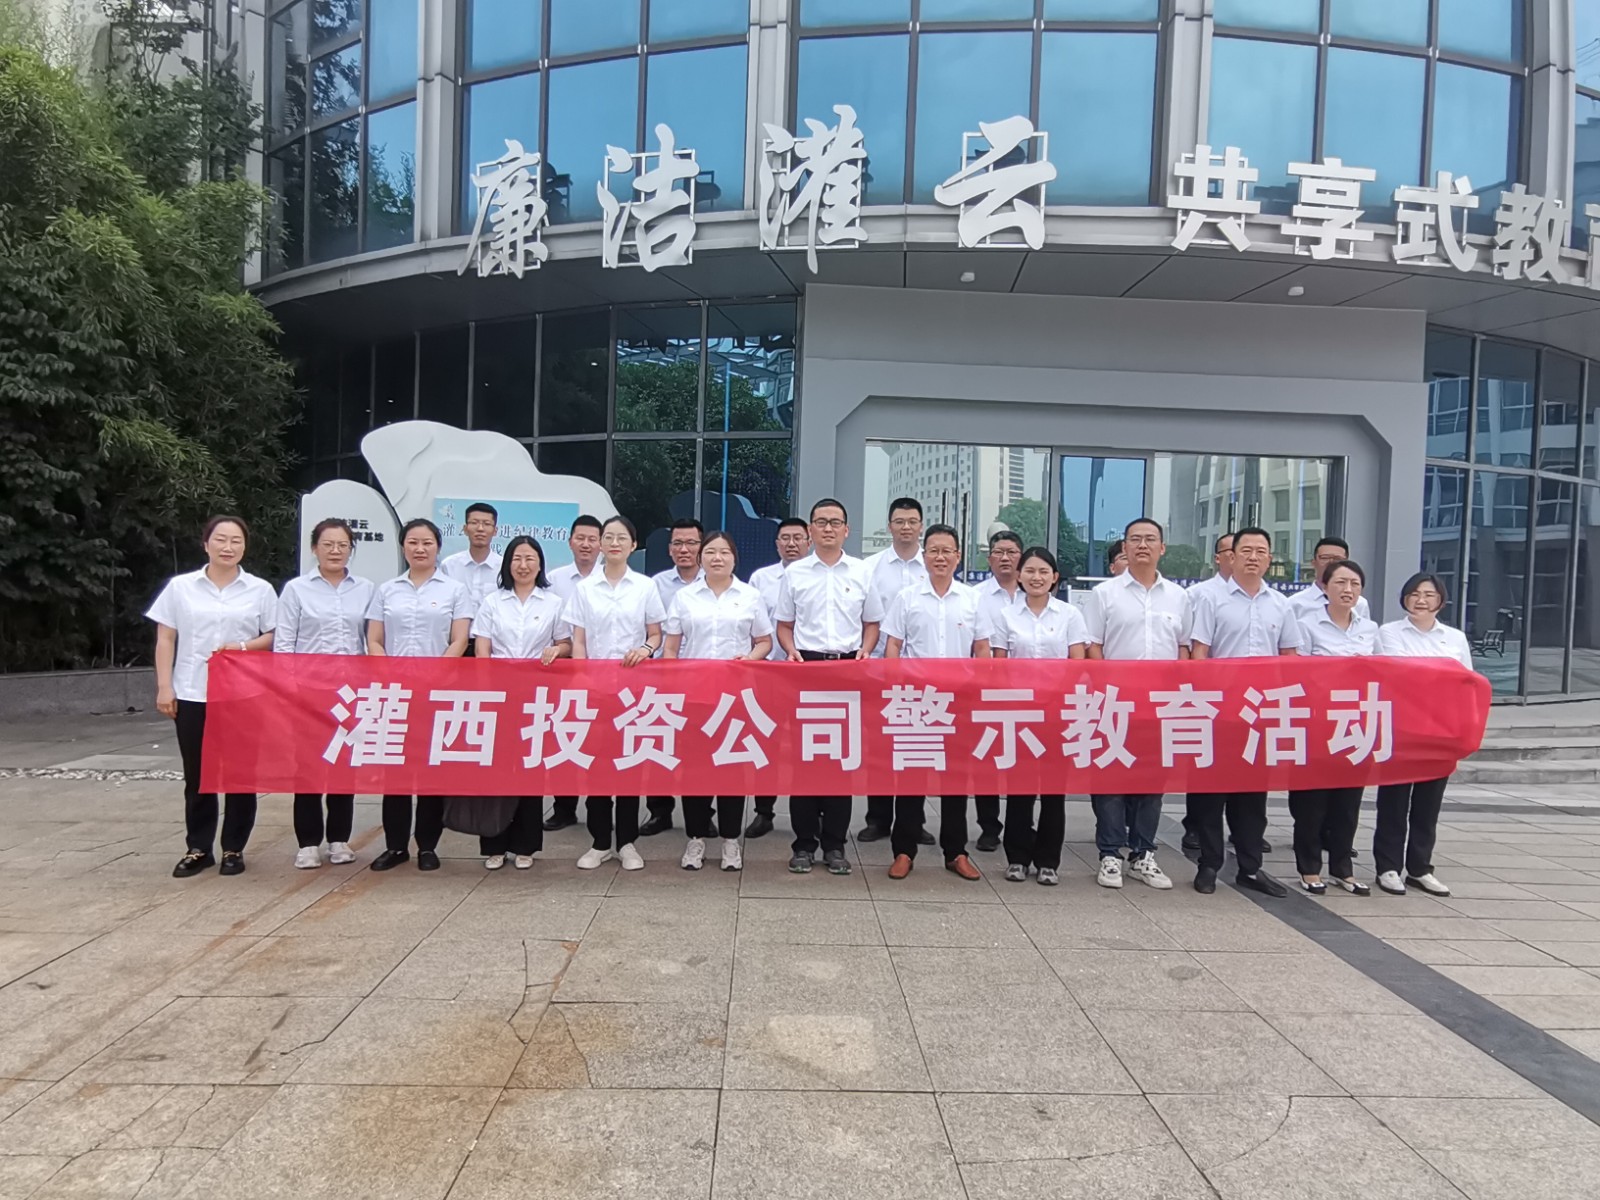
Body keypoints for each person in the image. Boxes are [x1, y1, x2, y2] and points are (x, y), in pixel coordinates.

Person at [148, 516, 278, 878]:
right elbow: (166, 638)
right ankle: (198, 848)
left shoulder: (260, 590)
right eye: (220, 539)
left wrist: (242, 647)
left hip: (243, 695)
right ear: (206, 544)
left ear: (244, 547)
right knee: (198, 775)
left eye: (236, 541)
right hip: (193, 691)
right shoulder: (181, 588)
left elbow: (274, 635)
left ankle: (234, 848)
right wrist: (164, 686)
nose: (228, 547)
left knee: (241, 774)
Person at [1189, 526, 1299, 898]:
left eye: (1261, 551)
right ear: (1231, 557)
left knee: (1253, 797)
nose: (1253, 557)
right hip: (1220, 712)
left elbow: (1290, 657)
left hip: (1261, 713)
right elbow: (1200, 653)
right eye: (1246, 550)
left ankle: (1250, 868)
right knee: (1210, 794)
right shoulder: (1211, 599)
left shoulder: (1281, 604)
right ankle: (1208, 864)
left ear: (1269, 559)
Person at [775, 498, 883, 876]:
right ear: (811, 530)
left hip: (847, 671)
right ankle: (804, 844)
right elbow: (784, 625)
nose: (828, 529)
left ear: (846, 530)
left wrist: (866, 651)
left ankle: (835, 845)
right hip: (806, 669)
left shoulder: (862, 572)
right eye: (821, 522)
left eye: (835, 522)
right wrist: (790, 651)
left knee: (840, 761)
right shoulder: (795, 573)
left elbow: (872, 623)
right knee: (805, 761)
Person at [1084, 518, 1187, 891]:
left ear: (1162, 548)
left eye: (1150, 539)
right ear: (1124, 548)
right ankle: (1110, 853)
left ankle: (1143, 853)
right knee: (1110, 779)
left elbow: (1184, 648)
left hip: (1161, 705)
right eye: (1135, 540)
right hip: (1115, 702)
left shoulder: (1179, 596)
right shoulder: (1104, 594)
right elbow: (1093, 645)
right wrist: (1108, 687)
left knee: (1152, 782)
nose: (1143, 545)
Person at [882, 525, 990, 881]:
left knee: (955, 781)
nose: (940, 557)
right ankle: (903, 850)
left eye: (947, 551)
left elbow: (982, 649)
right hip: (917, 700)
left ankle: (956, 852)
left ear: (958, 556)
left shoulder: (972, 599)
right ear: (924, 556)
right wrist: (896, 687)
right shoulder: (907, 597)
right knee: (911, 780)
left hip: (958, 701)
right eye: (933, 551)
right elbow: (894, 646)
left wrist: (978, 690)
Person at [367, 518, 473, 872]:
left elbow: (459, 640)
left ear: (438, 547)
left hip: (436, 692)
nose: (420, 548)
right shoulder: (387, 590)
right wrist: (389, 673)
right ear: (403, 547)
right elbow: (374, 640)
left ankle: (428, 845)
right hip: (395, 693)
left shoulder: (454, 590)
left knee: (431, 772)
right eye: (413, 542)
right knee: (394, 772)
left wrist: (433, 675)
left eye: (427, 542)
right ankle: (396, 846)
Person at [664, 530, 772, 872]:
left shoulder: (750, 596)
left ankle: (730, 841)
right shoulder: (684, 597)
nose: (717, 558)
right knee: (695, 770)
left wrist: (750, 659)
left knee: (732, 769)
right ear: (701, 558)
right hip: (695, 697)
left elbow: (765, 641)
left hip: (735, 698)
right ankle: (695, 838)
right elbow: (671, 647)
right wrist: (674, 682)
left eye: (724, 552)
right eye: (710, 552)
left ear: (734, 558)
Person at [564, 515, 666, 870]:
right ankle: (599, 842)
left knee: (628, 765)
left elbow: (656, 634)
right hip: (595, 689)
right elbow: (578, 640)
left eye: (622, 537)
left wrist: (645, 649)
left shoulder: (645, 587)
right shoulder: (585, 588)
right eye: (608, 537)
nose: (614, 543)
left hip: (632, 691)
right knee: (595, 765)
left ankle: (626, 842)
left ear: (633, 545)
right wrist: (583, 678)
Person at [277, 518, 374, 870]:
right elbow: (284, 643)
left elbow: (370, 639)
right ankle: (307, 843)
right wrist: (289, 689)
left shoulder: (365, 589)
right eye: (328, 544)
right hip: (309, 692)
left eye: (343, 545)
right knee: (307, 768)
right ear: (314, 548)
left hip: (350, 693)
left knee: (344, 768)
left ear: (351, 549)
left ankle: (339, 839)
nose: (335, 551)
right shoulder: (296, 590)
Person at [1372, 572, 1475, 898]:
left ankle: (1420, 868)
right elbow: (1397, 674)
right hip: (1400, 728)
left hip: (1441, 730)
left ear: (1440, 601)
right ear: (1404, 598)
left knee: (1428, 805)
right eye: (1414, 594)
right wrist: (1439, 675)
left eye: (1429, 595)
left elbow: (1466, 681)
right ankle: (1388, 867)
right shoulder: (1389, 632)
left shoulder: (1455, 638)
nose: (1421, 600)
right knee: (1394, 801)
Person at [471, 535, 570, 870]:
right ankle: (495, 845)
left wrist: (557, 650)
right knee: (496, 772)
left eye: (530, 559)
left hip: (536, 698)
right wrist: (485, 689)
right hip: (498, 696)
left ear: (540, 564)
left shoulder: (553, 603)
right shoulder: (493, 602)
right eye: (517, 559)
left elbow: (565, 643)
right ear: (507, 564)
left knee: (529, 771)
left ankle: (526, 845)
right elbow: (482, 647)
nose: (523, 565)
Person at [991, 546, 1085, 886]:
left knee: (1053, 793)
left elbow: (1078, 663)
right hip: (1019, 713)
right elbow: (998, 665)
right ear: (1019, 576)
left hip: (1057, 713)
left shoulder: (1069, 615)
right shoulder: (1005, 616)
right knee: (1020, 790)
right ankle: (1017, 858)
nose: (1036, 577)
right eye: (1030, 571)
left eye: (1044, 571)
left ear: (1054, 577)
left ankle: (1048, 861)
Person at [1290, 558, 1377, 896]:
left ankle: (1343, 868)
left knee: (1348, 803)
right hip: (1316, 724)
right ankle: (1309, 868)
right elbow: (1298, 675)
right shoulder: (1306, 625)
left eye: (1354, 584)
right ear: (1325, 587)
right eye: (1340, 582)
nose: (1348, 590)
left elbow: (1383, 675)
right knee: (1312, 803)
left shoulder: (1370, 629)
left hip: (1356, 725)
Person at [860, 497, 929, 844]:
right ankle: (878, 819)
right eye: (899, 521)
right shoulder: (870, 567)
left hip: (922, 673)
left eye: (912, 521)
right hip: (880, 668)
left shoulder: (932, 564)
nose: (906, 527)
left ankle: (914, 821)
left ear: (921, 526)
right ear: (889, 526)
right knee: (880, 746)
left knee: (916, 746)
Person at [640, 518, 706, 838]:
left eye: (691, 543)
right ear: (669, 549)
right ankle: (659, 811)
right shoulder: (656, 584)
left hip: (702, 679)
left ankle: (703, 815)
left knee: (701, 747)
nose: (684, 549)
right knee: (660, 740)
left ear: (702, 547)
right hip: (663, 674)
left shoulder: (716, 579)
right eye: (678, 543)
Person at [745, 517, 811, 838]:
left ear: (809, 541)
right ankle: (764, 811)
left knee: (808, 742)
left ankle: (814, 812)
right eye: (785, 538)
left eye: (798, 538)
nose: (791, 544)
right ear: (776, 544)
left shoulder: (817, 576)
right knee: (766, 741)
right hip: (768, 670)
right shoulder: (761, 578)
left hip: (808, 670)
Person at [544, 515, 604, 832]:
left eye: (592, 539)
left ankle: (599, 807)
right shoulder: (554, 579)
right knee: (564, 737)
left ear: (602, 544)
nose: (586, 544)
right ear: (570, 542)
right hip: (563, 668)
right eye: (580, 538)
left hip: (603, 670)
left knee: (601, 740)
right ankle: (563, 807)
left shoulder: (611, 579)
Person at [971, 530, 1025, 853]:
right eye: (998, 552)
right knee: (987, 760)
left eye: (1012, 552)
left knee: (1024, 760)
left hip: (1029, 695)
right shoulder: (975, 596)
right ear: (989, 558)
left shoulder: (1035, 592)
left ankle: (1020, 826)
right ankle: (989, 827)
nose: (1005, 558)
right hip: (988, 691)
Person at [1182, 532, 1236, 854]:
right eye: (1231, 551)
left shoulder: (1272, 600)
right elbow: (1193, 645)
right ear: (1218, 557)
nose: (1239, 557)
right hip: (1212, 695)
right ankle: (1196, 826)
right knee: (1205, 764)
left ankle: (1243, 832)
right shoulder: (1199, 595)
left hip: (1255, 700)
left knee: (1247, 764)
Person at [1290, 536, 1371, 623]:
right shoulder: (1295, 603)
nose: (1331, 562)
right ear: (1314, 563)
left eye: (1338, 559)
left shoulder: (1359, 604)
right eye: (1325, 558)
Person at [441, 502, 500, 616]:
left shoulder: (504, 567)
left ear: (495, 531)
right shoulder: (449, 565)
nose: (480, 529)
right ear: (465, 529)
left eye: (487, 524)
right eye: (474, 523)